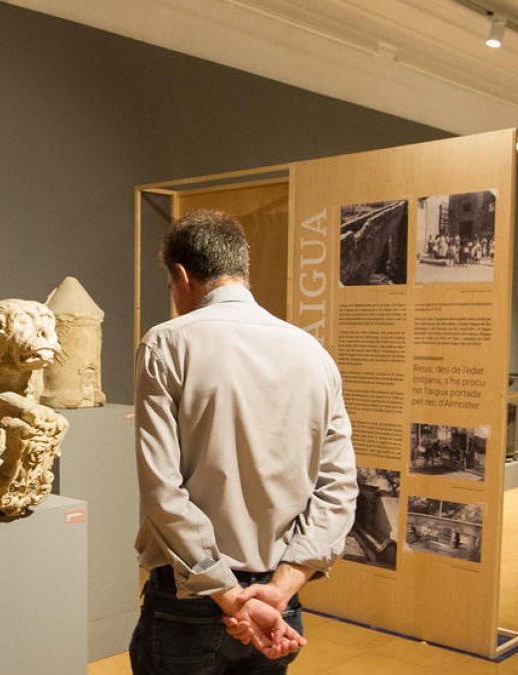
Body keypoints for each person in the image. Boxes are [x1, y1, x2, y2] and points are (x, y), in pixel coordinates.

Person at [130, 209, 358, 673]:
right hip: (278, 596)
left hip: (191, 596)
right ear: (240, 270)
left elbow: (162, 491)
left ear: (181, 275)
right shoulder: (313, 354)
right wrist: (280, 589)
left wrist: (229, 595)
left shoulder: (166, 344)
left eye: (172, 287)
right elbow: (338, 490)